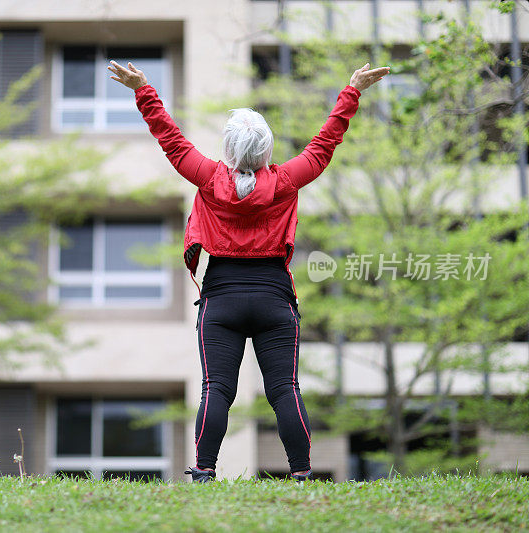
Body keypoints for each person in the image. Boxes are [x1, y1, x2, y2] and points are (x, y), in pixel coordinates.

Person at [108, 60, 389, 483]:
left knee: (216, 388)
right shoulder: (287, 180)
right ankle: (302, 474)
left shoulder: (207, 178)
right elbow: (325, 143)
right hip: (275, 298)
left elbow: (170, 139)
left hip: (221, 298)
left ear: (228, 149)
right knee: (284, 390)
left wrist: (143, 90)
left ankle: (204, 472)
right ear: (267, 151)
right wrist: (351, 92)